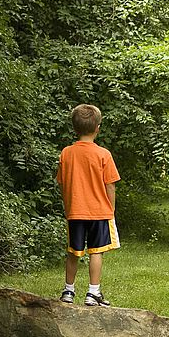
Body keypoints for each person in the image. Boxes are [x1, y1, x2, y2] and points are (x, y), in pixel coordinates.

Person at [56, 104, 121, 307]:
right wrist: (111, 210)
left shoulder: (66, 153)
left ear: (74, 128)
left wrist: (69, 205)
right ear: (97, 128)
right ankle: (93, 293)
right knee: (96, 251)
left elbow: (62, 182)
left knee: (73, 252)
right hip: (99, 212)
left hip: (75, 211)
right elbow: (110, 185)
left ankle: (68, 290)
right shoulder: (103, 154)